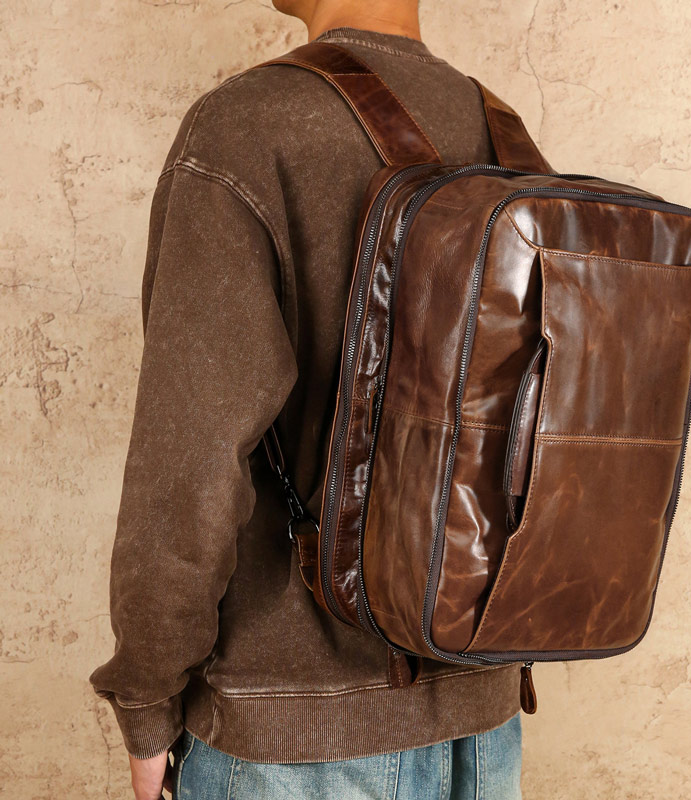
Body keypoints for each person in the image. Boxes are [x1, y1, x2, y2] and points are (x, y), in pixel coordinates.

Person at [89, 1, 524, 798]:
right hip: (485, 725)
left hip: (295, 738)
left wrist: (146, 699)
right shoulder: (503, 136)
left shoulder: (248, 126)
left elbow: (189, 463)